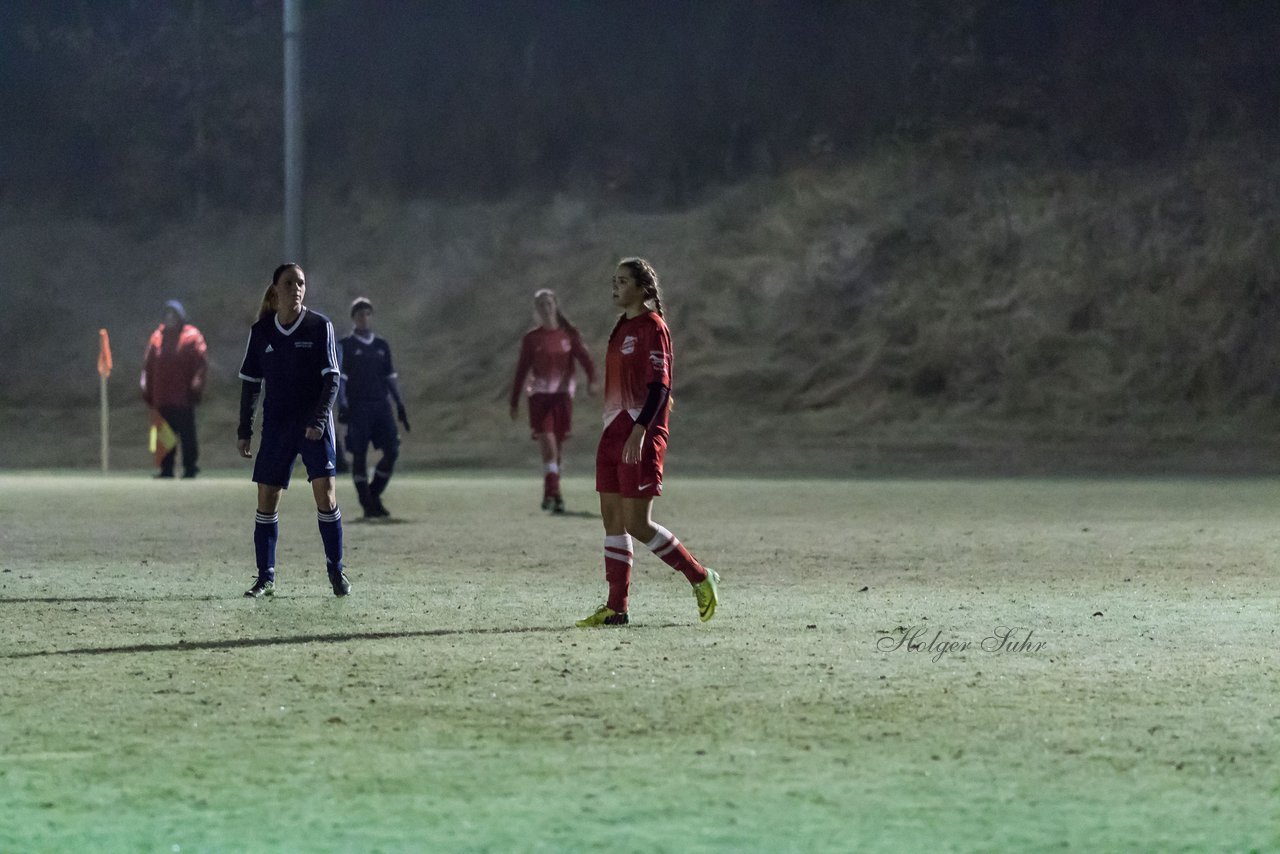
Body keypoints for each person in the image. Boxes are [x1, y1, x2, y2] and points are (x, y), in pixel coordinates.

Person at [577, 257, 719, 627]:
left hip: (639, 433)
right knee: (611, 519)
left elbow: (660, 387)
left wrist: (640, 432)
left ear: (643, 289)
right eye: (614, 280)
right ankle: (616, 608)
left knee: (637, 523)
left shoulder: (652, 328)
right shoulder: (620, 327)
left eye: (623, 281)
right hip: (613, 432)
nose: (616, 286)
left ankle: (700, 577)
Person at [236, 263, 350, 598]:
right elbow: (250, 385)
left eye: (300, 283)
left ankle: (336, 571)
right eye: (289, 283)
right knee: (266, 501)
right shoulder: (262, 333)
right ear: (275, 291)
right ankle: (265, 578)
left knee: (326, 498)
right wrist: (245, 429)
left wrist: (318, 421)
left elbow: (332, 378)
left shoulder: (319, 326)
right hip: (277, 427)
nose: (296, 288)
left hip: (314, 426)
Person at [509, 288, 597, 513]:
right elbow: (521, 369)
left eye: (549, 304)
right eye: (541, 305)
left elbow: (585, 359)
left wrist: (592, 380)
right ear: (536, 310)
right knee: (548, 444)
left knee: (556, 448)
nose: (546, 308)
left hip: (562, 397)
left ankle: (550, 494)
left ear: (556, 305)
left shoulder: (569, 334)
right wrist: (514, 400)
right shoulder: (532, 338)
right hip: (539, 397)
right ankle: (555, 494)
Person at [337, 296, 410, 518]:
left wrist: (399, 404)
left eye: (368, 314)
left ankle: (373, 494)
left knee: (392, 450)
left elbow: (390, 377)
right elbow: (341, 379)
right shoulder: (345, 346)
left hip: (381, 406)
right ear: (354, 318)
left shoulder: (381, 346)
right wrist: (343, 404)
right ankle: (367, 503)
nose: (364, 318)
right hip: (358, 407)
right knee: (359, 454)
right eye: (360, 314)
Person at [141, 300, 208, 478]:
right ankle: (166, 469)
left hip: (183, 397)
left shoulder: (192, 336)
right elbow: (148, 366)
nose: (170, 318)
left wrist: (197, 385)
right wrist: (147, 389)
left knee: (187, 435)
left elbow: (200, 363)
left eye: (174, 314)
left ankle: (190, 467)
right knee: (164, 435)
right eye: (167, 314)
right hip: (161, 396)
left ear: (180, 317)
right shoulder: (157, 337)